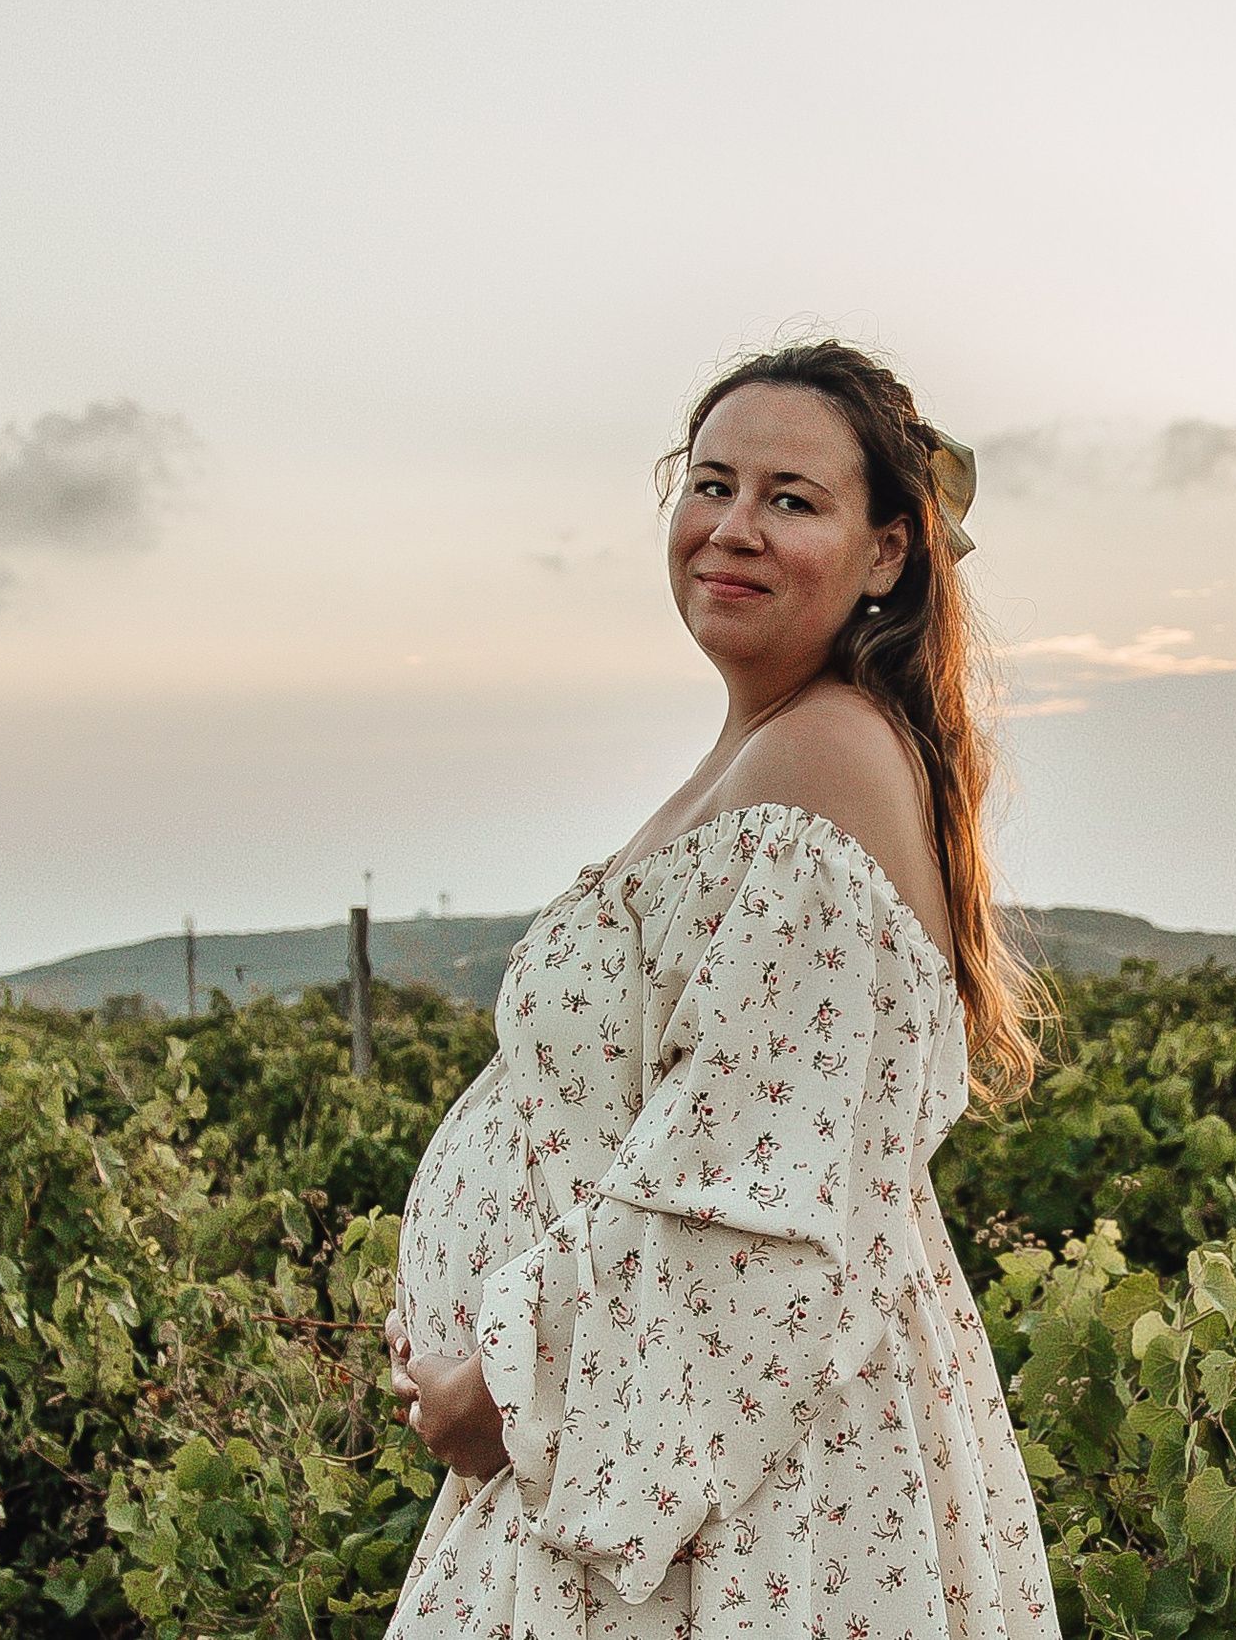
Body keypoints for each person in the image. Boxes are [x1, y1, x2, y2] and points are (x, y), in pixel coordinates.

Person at [382, 341, 1060, 1640]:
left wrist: (514, 1389)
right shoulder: (760, 750)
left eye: (792, 500)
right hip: (646, 1439)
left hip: (752, 1480)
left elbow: (744, 1203)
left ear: (887, 553)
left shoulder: (827, 758)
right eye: (711, 485)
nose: (731, 530)